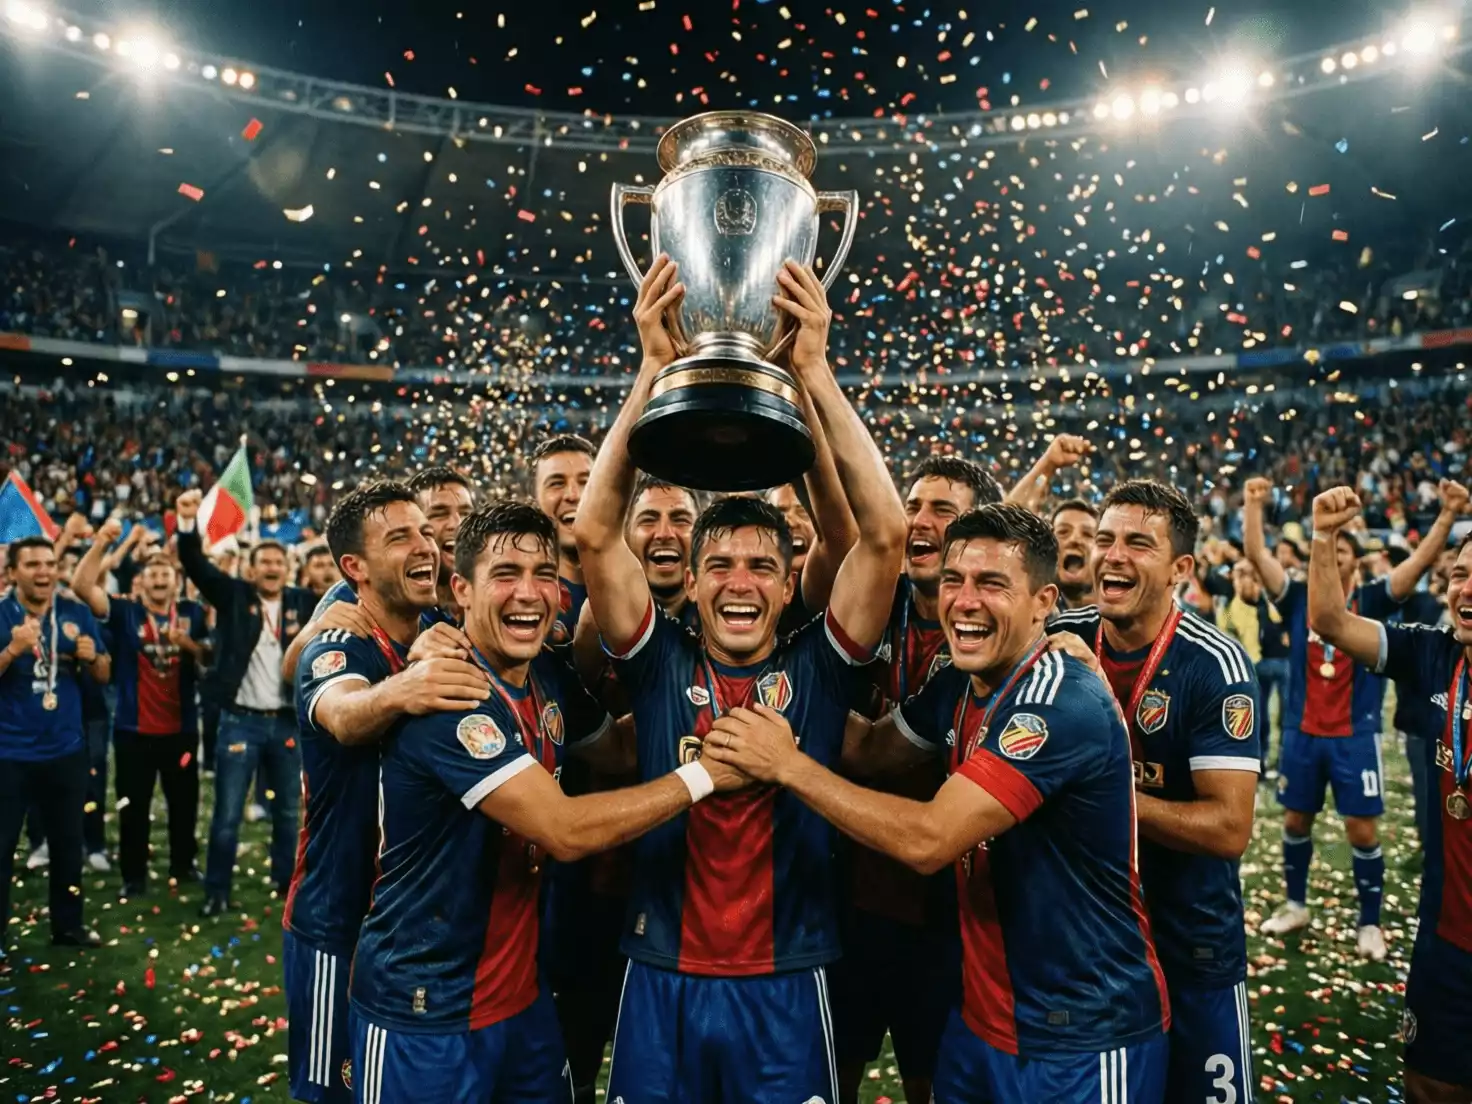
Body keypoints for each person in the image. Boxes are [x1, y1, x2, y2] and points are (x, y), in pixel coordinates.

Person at [575, 255, 905, 1101]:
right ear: (690, 580)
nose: (739, 583)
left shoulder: (820, 667)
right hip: (660, 971)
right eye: (718, 564)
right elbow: (595, 535)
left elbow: (885, 536)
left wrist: (814, 374)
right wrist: (652, 369)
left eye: (762, 566)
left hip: (789, 981)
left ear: (790, 585)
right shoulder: (659, 662)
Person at [705, 504, 1170, 1103]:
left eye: (992, 584)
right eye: (954, 580)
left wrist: (789, 765)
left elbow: (930, 839)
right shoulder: (961, 683)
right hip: (982, 1022)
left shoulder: (1059, 699)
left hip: (1082, 1034)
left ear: (1043, 602)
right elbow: (872, 750)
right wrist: (762, 686)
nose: (965, 601)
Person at [347, 500, 743, 1102]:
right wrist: (704, 773)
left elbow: (617, 751)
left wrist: (722, 711)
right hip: (424, 1008)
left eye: (544, 576)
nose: (529, 594)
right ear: (461, 590)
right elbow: (563, 829)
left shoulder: (546, 676)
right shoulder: (448, 694)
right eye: (506, 575)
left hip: (520, 997)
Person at [1050, 480, 1260, 1103]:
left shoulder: (1214, 664)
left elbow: (1229, 828)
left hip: (1191, 940)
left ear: (1180, 570)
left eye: (1138, 544)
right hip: (1092, 946)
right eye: (1105, 539)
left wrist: (1102, 795)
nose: (1112, 555)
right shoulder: (1059, 638)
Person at [283, 481, 491, 1104]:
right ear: (355, 567)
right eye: (401, 537)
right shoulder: (337, 641)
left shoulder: (442, 628)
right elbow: (345, 716)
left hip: (413, 930)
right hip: (337, 920)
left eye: (425, 532)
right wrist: (408, 683)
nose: (426, 545)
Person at [833, 451, 1001, 1104]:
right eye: (913, 506)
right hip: (853, 896)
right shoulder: (874, 600)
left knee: (931, 1081)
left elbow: (874, 754)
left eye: (943, 510)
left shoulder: (1000, 638)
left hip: (948, 912)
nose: (919, 522)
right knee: (835, 1072)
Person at [1245, 475, 1467, 958]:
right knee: (1295, 821)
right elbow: (1258, 555)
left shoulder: (1371, 600)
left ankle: (1370, 922)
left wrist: (1449, 513)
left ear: (1353, 560)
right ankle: (1296, 904)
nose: (1334, 555)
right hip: (1303, 732)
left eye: (1343, 550)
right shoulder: (1299, 597)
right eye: (1329, 548)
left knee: (1362, 830)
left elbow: (1417, 565)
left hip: (1355, 735)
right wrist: (1253, 506)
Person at [1300, 489, 1472, 1104]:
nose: (1465, 589)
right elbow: (1330, 621)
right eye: (1459, 575)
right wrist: (1324, 537)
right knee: (1429, 1084)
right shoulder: (1434, 654)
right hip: (1448, 936)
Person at [175, 487, 320, 917]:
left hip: (286, 721)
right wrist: (186, 523)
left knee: (288, 813)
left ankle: (285, 884)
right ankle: (217, 892)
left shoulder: (305, 603)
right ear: (251, 569)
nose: (272, 568)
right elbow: (195, 565)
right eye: (264, 562)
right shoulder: (233, 596)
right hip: (239, 721)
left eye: (278, 562)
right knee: (227, 814)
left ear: (288, 569)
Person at [70, 520, 210, 898]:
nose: (160, 579)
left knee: (184, 802)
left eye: (166, 574)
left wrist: (188, 644)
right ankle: (134, 876)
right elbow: (82, 587)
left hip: (181, 728)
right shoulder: (124, 611)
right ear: (141, 581)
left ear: (176, 582)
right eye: (153, 574)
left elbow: (210, 657)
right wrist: (102, 542)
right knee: (133, 806)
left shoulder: (193, 613)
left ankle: (183, 863)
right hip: (134, 731)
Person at [0, 536, 112, 951]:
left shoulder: (74, 613)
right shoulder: (2, 615)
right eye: (32, 565)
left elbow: (104, 673)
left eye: (50, 563)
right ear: (12, 572)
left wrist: (92, 658)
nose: (44, 571)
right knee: (2, 849)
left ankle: (68, 926)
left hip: (65, 750)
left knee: (67, 844)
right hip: (8, 754)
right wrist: (12, 650)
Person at [529, 434, 596, 643]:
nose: (574, 495)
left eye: (586, 482)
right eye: (557, 483)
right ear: (534, 502)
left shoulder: (637, 585)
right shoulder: (519, 594)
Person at [1049, 498, 1099, 612]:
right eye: (1063, 532)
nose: (1074, 540)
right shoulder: (1030, 614)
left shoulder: (1121, 616)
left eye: (1087, 534)